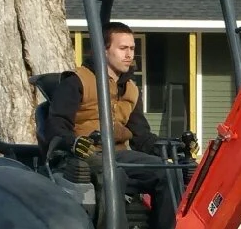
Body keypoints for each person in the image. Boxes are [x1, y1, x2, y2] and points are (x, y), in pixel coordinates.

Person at [35, 22, 160, 159]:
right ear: (103, 50)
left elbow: (141, 137)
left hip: (120, 156)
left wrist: (167, 147)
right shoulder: (77, 81)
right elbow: (57, 125)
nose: (129, 55)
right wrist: (73, 143)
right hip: (84, 158)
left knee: (165, 168)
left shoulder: (131, 90)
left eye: (132, 48)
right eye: (123, 48)